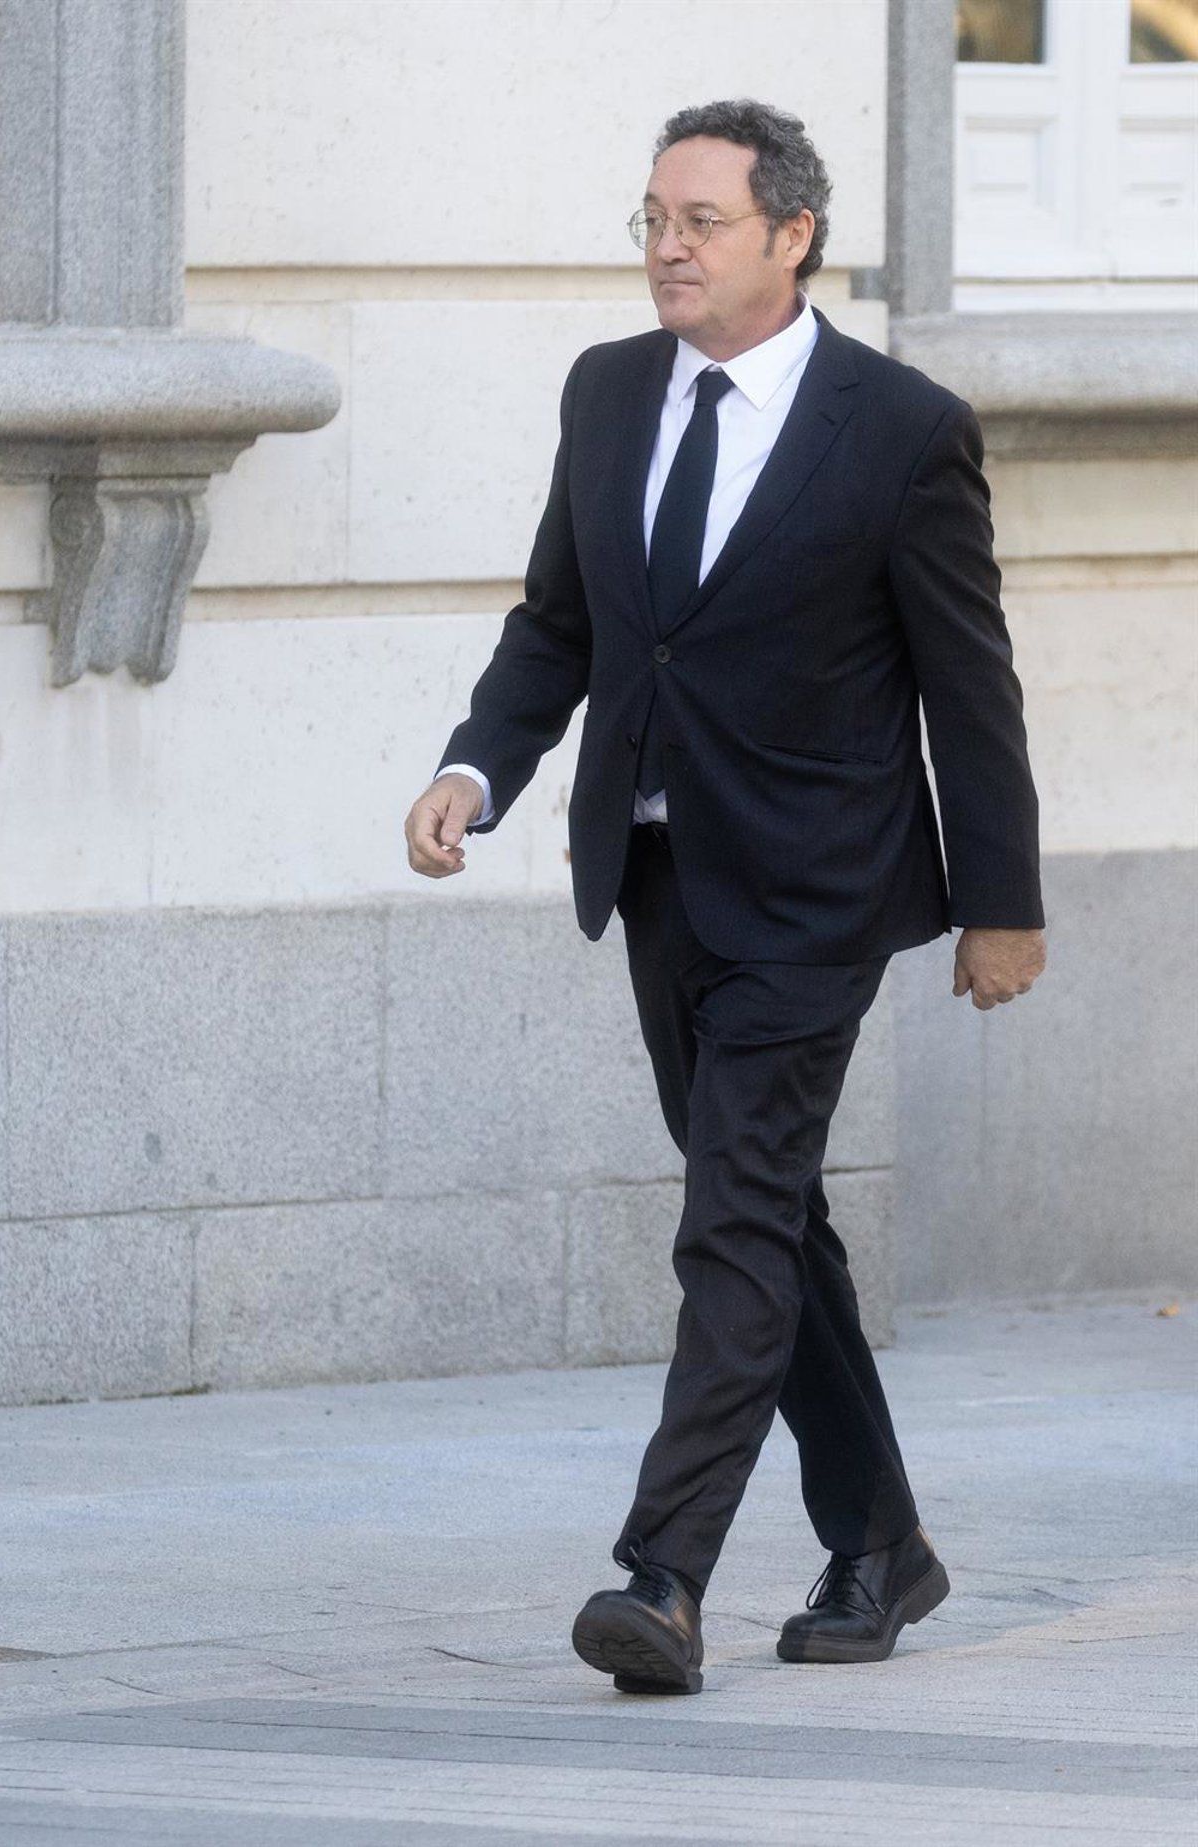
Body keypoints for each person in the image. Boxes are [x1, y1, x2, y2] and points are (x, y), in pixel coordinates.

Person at [403, 100, 1045, 1696]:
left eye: (700, 222)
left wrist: (1001, 901)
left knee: (733, 1218)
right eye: (652, 219)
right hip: (658, 876)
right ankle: (882, 1544)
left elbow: (969, 688)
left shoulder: (901, 430)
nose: (667, 249)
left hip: (819, 891)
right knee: (769, 1214)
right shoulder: (611, 390)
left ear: (792, 237)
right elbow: (562, 621)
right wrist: (478, 768)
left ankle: (663, 1574)